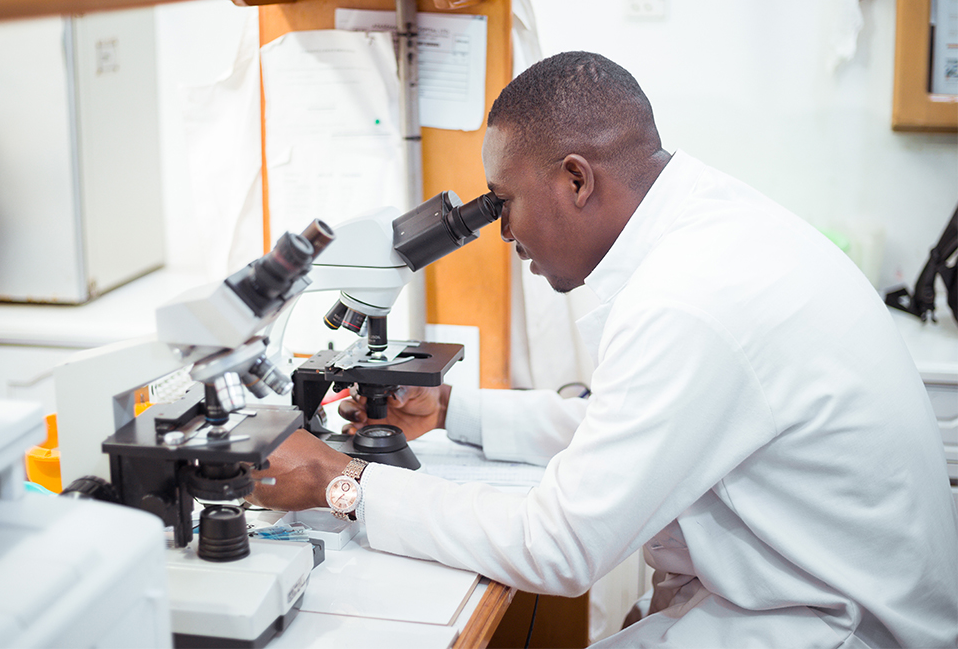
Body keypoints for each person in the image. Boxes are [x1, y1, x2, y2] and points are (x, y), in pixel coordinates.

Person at [248, 52, 958, 647]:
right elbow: (634, 427)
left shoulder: (687, 298)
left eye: (504, 202)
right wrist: (452, 410)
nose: (502, 232)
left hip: (834, 628)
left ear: (577, 178)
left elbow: (556, 546)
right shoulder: (711, 226)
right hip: (797, 594)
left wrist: (338, 481)